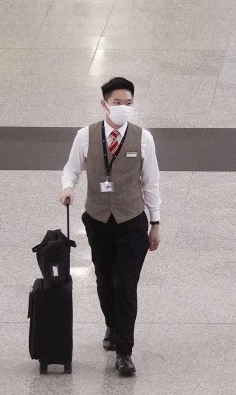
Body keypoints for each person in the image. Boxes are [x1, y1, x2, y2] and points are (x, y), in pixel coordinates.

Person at [59, 77, 161, 377]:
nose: (123, 109)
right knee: (105, 280)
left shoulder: (144, 139)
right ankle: (112, 325)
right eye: (118, 103)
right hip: (98, 219)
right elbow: (71, 168)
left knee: (127, 285)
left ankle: (124, 351)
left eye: (129, 104)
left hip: (132, 221)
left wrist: (155, 223)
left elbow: (152, 182)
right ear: (104, 103)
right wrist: (68, 187)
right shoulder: (85, 136)